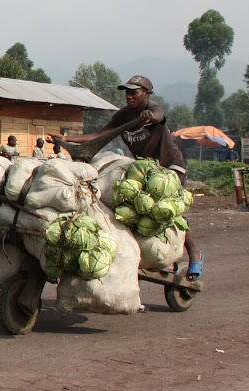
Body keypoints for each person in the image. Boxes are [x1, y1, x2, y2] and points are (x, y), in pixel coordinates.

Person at [49, 75, 204, 281]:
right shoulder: (123, 116)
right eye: (127, 92)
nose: (129, 96)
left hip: (169, 169)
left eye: (134, 92)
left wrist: (150, 116)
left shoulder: (154, 109)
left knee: (167, 213)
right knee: (132, 211)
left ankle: (195, 254)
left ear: (147, 94)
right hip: (143, 170)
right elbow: (101, 135)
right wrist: (67, 139)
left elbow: (158, 116)